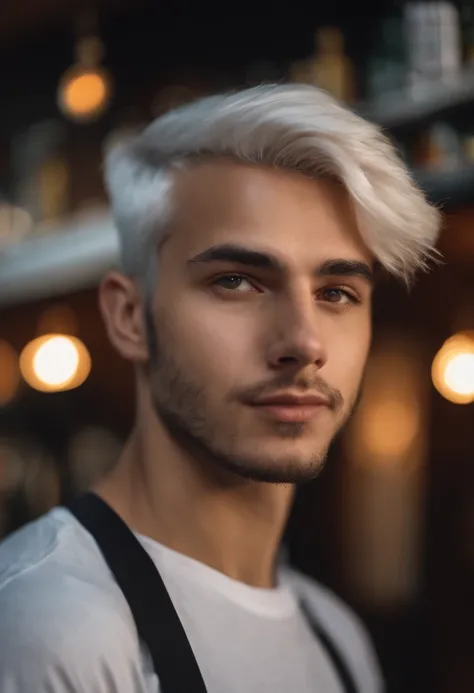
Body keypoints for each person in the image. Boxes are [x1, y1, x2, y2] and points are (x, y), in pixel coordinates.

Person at [0, 84, 440, 692]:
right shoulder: (48, 629)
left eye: (337, 292)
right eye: (237, 281)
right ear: (130, 317)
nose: (304, 342)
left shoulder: (335, 637)